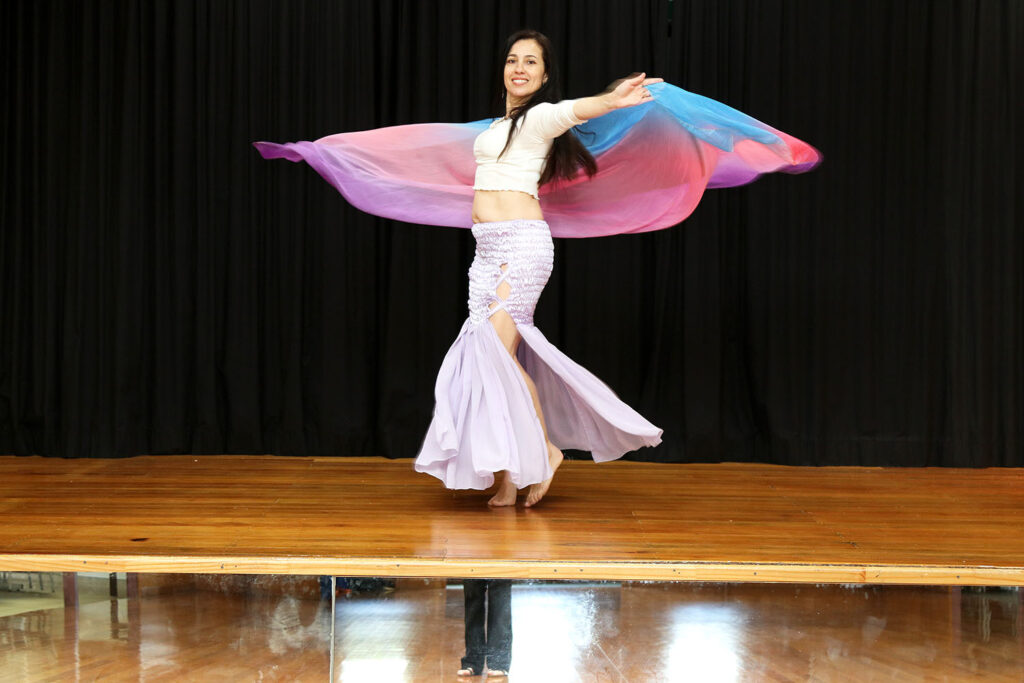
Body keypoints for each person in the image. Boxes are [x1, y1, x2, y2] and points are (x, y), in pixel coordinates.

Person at [253, 29, 820, 508]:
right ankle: (509, 469)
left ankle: (543, 451)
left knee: (493, 354)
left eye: (531, 62)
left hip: (522, 246)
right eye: (512, 60)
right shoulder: (494, 130)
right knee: (489, 356)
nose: (519, 68)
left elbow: (580, 110)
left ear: (545, 76)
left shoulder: (543, 118)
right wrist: (328, 152)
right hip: (487, 249)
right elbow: (416, 149)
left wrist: (615, 99)